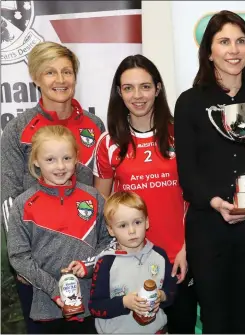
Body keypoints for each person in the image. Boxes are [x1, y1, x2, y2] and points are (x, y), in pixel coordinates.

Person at [174, 10, 245, 334]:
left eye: (240, 41)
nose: (234, 50)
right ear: (209, 51)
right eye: (224, 42)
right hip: (208, 228)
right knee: (215, 319)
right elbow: (188, 173)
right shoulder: (190, 103)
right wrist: (217, 203)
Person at [0, 41, 105, 334]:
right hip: (38, 264)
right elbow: (8, 198)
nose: (60, 80)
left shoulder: (95, 125)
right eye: (50, 72)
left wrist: (100, 255)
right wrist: (24, 262)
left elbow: (102, 191)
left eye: (67, 72)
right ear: (35, 77)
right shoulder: (17, 128)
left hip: (84, 262)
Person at [92, 54, 198, 334]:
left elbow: (196, 195)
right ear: (119, 92)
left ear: (158, 89)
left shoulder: (181, 133)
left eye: (145, 87)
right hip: (129, 266)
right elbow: (102, 204)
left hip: (179, 260)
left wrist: (188, 248)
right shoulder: (109, 143)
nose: (137, 96)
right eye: (128, 88)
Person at [6, 125, 112, 334]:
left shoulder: (93, 197)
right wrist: (55, 290)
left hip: (90, 305)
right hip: (46, 307)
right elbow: (18, 256)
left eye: (66, 158)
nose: (60, 166)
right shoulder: (23, 204)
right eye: (50, 159)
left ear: (76, 158)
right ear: (36, 161)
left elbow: (109, 241)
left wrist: (88, 265)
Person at [72, 191, 177, 334]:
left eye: (137, 222)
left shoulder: (160, 255)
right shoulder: (106, 262)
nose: (132, 231)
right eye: (123, 226)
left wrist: (162, 296)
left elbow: (171, 292)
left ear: (147, 222)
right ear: (111, 230)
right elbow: (95, 307)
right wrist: (124, 302)